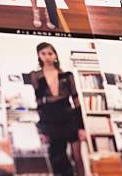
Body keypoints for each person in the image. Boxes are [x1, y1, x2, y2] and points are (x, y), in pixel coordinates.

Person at [30, 42, 86, 176]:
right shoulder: (35, 76)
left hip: (68, 116)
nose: (47, 57)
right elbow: (39, 103)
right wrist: (43, 129)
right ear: (39, 55)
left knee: (77, 156)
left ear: (55, 55)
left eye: (50, 53)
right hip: (50, 119)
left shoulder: (67, 75)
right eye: (43, 53)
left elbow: (76, 101)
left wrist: (81, 127)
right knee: (57, 157)